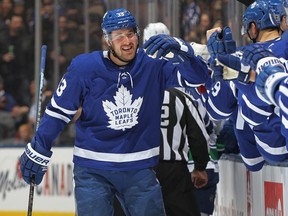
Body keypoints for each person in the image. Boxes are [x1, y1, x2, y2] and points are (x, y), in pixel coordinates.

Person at [19, 7, 210, 216]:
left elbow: (199, 78)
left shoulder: (153, 66)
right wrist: (39, 148)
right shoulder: (84, 67)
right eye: (119, 36)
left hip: (139, 168)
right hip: (93, 168)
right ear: (107, 40)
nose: (127, 42)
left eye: (130, 34)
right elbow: (58, 112)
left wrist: (184, 51)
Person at [206, 0, 288, 170]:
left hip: (261, 149)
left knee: (241, 97)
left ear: (253, 27)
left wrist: (219, 61)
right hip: (279, 136)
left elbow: (217, 110)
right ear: (281, 22)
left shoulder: (242, 55)